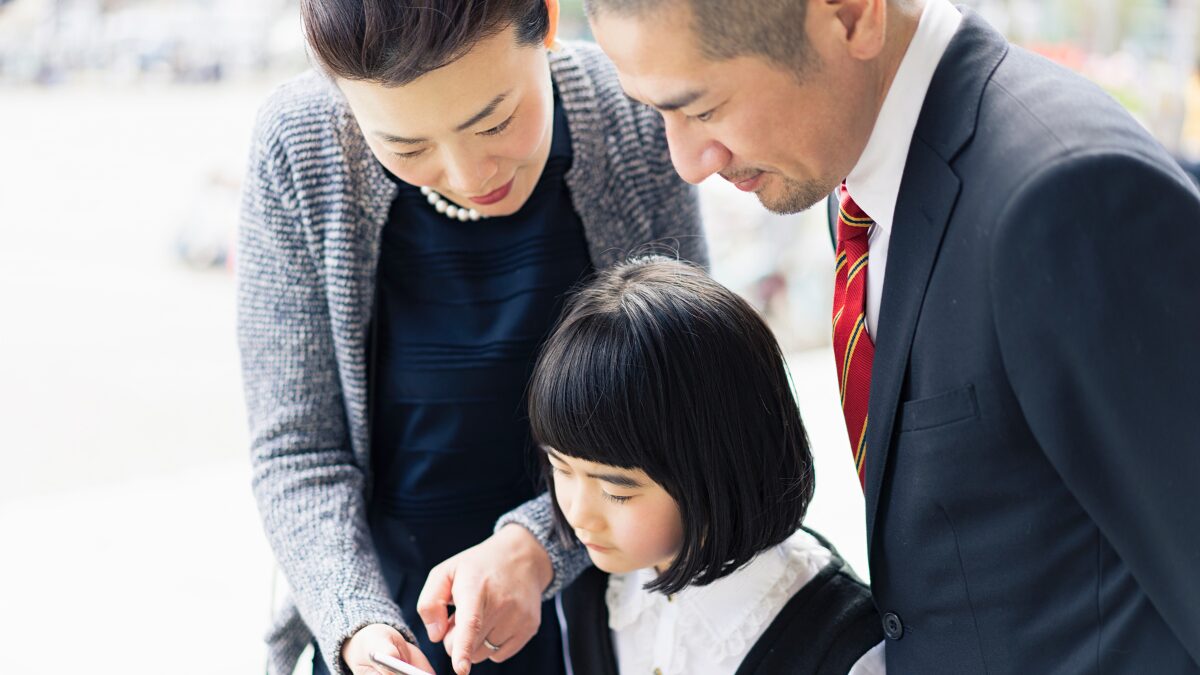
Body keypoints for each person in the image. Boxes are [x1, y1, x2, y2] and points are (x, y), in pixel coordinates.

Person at [421, 0, 1200, 672]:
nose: (687, 162)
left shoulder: (1065, 200)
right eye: (657, 111)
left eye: (701, 106)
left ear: (851, 13)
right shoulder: (848, 177)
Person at [235, 0, 705, 672]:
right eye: (407, 147)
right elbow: (297, 450)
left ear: (545, 21)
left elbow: (685, 396)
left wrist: (538, 545)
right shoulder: (301, 145)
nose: (468, 174)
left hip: (612, 599)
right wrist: (355, 626)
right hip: (387, 611)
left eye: (495, 121)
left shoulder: (631, 111)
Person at [525, 257, 885, 674]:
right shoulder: (597, 587)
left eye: (615, 490)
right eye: (561, 467)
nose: (577, 514)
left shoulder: (842, 647)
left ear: (722, 465)